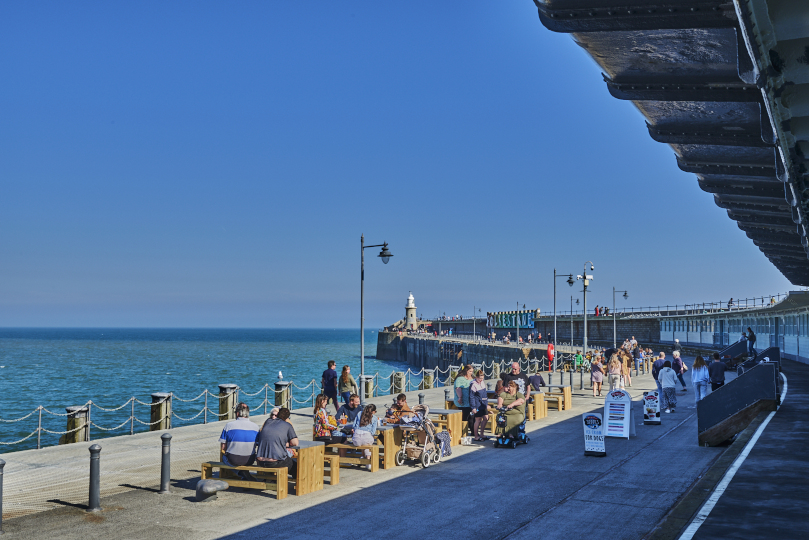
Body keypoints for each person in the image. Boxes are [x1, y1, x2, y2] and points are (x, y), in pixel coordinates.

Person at [219, 402, 259, 480]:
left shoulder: (229, 426)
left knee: (225, 458)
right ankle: (245, 476)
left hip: (233, 460)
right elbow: (258, 444)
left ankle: (241, 473)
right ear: (248, 413)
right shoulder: (255, 427)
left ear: (237, 413)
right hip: (250, 460)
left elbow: (223, 447)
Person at [255, 407, 298, 477]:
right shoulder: (287, 425)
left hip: (260, 461)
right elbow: (295, 443)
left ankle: (270, 479)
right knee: (295, 466)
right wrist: (286, 443)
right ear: (287, 418)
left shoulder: (267, 421)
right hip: (275, 462)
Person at [352, 404, 378, 469]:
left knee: (363, 441)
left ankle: (362, 456)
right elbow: (373, 432)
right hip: (366, 437)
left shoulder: (359, 413)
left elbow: (354, 425)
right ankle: (368, 461)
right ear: (373, 411)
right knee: (368, 442)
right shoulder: (374, 418)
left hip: (356, 439)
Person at [469, 369, 489, 441]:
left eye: (482, 378)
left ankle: (482, 434)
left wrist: (486, 403)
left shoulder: (482, 383)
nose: (481, 380)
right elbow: (471, 397)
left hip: (483, 404)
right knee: (478, 420)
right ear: (476, 377)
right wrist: (473, 407)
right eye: (479, 378)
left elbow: (485, 394)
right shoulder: (473, 384)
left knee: (486, 418)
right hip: (477, 405)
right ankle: (476, 436)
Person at [454, 365, 474, 436]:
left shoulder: (472, 379)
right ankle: (462, 432)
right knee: (464, 417)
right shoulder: (460, 379)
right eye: (470, 371)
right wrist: (460, 397)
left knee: (472, 416)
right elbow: (458, 388)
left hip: (471, 402)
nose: (471, 373)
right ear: (466, 371)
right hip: (463, 402)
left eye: (472, 371)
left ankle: (473, 432)